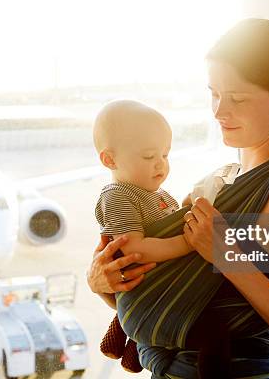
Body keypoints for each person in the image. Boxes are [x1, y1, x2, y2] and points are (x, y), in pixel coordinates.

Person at [87, 18, 269, 378]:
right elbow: (181, 304)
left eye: (237, 97)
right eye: (214, 93)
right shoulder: (223, 180)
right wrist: (105, 283)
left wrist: (227, 256)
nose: (219, 111)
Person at [92, 99, 233, 376]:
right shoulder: (118, 196)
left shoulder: (157, 195)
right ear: (110, 159)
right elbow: (135, 250)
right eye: (148, 157)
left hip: (161, 287)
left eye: (165, 155)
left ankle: (133, 348)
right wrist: (189, 241)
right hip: (149, 293)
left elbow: (165, 225)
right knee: (215, 333)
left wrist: (187, 205)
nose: (160, 165)